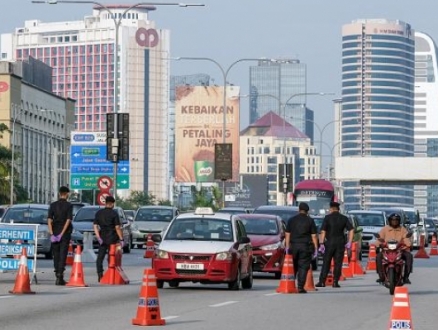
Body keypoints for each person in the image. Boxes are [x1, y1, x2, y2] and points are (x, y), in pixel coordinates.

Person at [315, 201, 354, 288]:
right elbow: (351, 230)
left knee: (326, 262)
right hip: (340, 243)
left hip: (329, 243)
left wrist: (321, 243)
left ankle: (322, 281)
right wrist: (349, 242)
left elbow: (323, 231)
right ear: (338, 209)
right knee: (338, 263)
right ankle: (335, 282)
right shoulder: (344, 218)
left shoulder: (327, 218)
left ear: (332, 209)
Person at [285, 202, 318, 293]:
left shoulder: (291, 220)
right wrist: (316, 248)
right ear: (307, 211)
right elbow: (314, 236)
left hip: (294, 246)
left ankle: (291, 284)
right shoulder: (310, 221)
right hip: (305, 246)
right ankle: (300, 287)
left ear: (298, 210)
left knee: (293, 265)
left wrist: (287, 246)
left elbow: (287, 234)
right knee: (303, 267)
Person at [376, 213, 413, 284]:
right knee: (378, 256)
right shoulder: (385, 229)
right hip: (387, 250)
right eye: (393, 220)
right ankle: (381, 276)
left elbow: (406, 238)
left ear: (399, 221)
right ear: (389, 221)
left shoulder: (403, 229)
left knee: (409, 256)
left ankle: (406, 277)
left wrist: (408, 244)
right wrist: (377, 245)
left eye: (396, 220)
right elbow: (379, 238)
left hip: (399, 250)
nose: (394, 222)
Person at [93, 195, 124, 282]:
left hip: (102, 238)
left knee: (100, 257)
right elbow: (117, 227)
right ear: (112, 204)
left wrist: (98, 237)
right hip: (112, 238)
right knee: (112, 257)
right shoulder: (114, 213)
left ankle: (100, 274)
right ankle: (111, 273)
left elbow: (95, 226)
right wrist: (121, 239)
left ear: (105, 203)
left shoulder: (99, 213)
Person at [47, 186, 73, 285]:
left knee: (56, 254)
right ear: (66, 194)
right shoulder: (69, 205)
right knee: (63, 254)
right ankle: (60, 276)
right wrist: (62, 233)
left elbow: (49, 219)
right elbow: (68, 220)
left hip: (55, 231)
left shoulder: (53, 205)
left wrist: (52, 233)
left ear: (59, 194)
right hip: (64, 233)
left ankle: (57, 273)